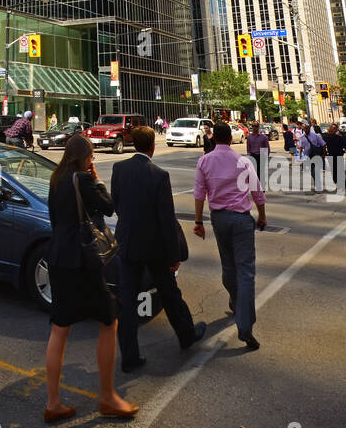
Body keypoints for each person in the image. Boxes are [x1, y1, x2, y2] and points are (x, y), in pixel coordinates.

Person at [44, 134, 137, 421]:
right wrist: (95, 178)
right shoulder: (82, 179)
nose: (93, 160)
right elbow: (108, 206)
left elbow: (55, 219)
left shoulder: (56, 179)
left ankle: (53, 402)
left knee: (60, 328)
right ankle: (108, 397)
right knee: (109, 320)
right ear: (85, 157)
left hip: (58, 257)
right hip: (81, 260)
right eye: (92, 156)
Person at [111, 125, 205, 371]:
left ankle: (129, 356)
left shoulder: (118, 169)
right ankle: (186, 335)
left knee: (127, 301)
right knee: (169, 293)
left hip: (127, 243)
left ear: (133, 144)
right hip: (154, 247)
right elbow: (166, 219)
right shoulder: (159, 175)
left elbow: (116, 204)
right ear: (153, 147)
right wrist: (174, 255)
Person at [193, 122, 266, 350]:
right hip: (241, 219)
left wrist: (198, 221)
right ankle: (244, 325)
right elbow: (257, 191)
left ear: (213, 138)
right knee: (245, 272)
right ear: (232, 139)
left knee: (228, 266)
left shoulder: (204, 161)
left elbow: (199, 193)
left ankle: (236, 301)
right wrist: (262, 214)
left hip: (219, 219)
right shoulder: (243, 161)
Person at [323, 123, 346, 194]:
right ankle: (337, 183)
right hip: (330, 157)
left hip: (339, 156)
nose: (330, 132)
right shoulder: (325, 138)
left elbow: (345, 146)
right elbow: (322, 145)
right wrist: (323, 153)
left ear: (334, 131)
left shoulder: (339, 138)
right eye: (329, 131)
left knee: (340, 172)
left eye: (331, 131)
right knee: (334, 173)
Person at [246, 122, 270, 189]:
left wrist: (266, 156)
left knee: (261, 172)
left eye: (256, 126)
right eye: (253, 126)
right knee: (254, 172)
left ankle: (262, 187)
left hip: (261, 155)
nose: (255, 128)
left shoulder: (263, 137)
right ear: (252, 127)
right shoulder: (249, 137)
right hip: (253, 156)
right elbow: (248, 148)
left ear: (258, 127)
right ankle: (256, 187)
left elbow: (267, 147)